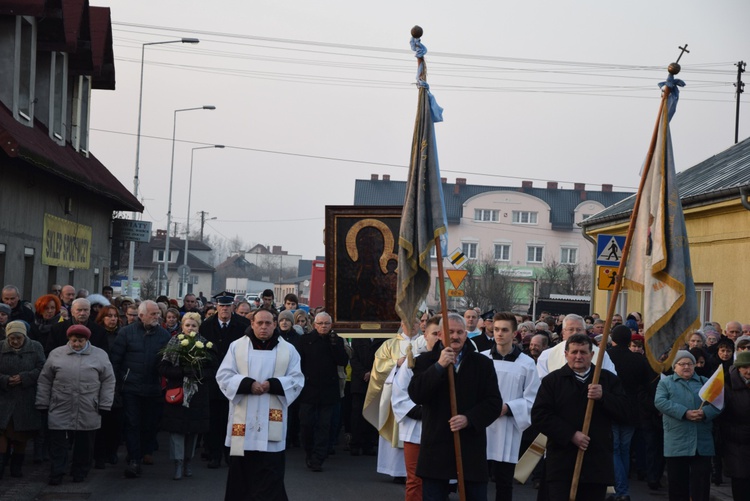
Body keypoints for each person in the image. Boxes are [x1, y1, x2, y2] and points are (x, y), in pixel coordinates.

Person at [408, 313, 502, 500]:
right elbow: (417, 394)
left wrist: (469, 419)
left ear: (466, 335)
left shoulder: (482, 364)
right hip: (436, 445)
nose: (455, 336)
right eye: (450, 331)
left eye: (460, 332)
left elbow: (493, 403)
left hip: (470, 446)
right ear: (440, 334)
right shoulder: (424, 361)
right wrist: (439, 367)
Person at [217, 308, 304, 500]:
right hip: (243, 422)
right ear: (252, 324)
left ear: (274, 324)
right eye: (259, 323)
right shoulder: (237, 347)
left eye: (268, 323)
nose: (264, 327)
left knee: (270, 473)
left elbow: (297, 379)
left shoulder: (288, 350)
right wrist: (248, 384)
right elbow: (223, 376)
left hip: (272, 420)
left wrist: (273, 384)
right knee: (241, 475)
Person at [531, 333, 629, 501]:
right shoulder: (552, 381)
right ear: (566, 354)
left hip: (596, 463)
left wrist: (604, 397)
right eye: (574, 352)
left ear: (591, 355)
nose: (578, 356)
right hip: (562, 462)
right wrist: (570, 435)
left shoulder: (607, 380)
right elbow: (540, 416)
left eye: (583, 352)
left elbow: (625, 412)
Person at [36, 324, 115, 485]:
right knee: (58, 443)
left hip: (88, 405)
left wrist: (105, 404)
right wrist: (42, 402)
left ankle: (80, 471)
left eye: (80, 340)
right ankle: (57, 471)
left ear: (87, 340)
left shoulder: (99, 355)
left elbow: (108, 380)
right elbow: (45, 380)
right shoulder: (57, 354)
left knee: (84, 443)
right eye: (73, 341)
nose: (76, 344)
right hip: (61, 403)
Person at [110, 300, 171, 478]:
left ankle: (144, 451)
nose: (156, 317)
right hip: (131, 387)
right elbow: (115, 360)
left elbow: (167, 361)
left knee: (150, 424)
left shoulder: (164, 335)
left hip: (153, 387)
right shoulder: (126, 333)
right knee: (132, 423)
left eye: (158, 313)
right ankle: (134, 460)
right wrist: (117, 384)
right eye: (153, 314)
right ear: (141, 315)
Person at [483, 312, 540, 501]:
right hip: (481, 425)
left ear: (515, 333)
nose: (499, 334)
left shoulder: (526, 364)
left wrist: (508, 408)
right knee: (478, 480)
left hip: (508, 427)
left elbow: (533, 398)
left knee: (504, 482)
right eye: (496, 329)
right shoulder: (482, 359)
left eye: (505, 330)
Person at [655, 350, 721, 501]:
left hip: (701, 441)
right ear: (674, 366)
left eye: (690, 363)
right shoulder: (666, 382)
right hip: (677, 441)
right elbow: (660, 402)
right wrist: (684, 413)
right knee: (678, 485)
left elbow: (719, 403)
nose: (687, 367)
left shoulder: (705, 382)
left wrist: (705, 413)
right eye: (682, 364)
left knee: (701, 484)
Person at [363, 317, 424, 481]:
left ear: (420, 325)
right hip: (394, 395)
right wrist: (396, 363)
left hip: (419, 394)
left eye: (415, 323)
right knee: (396, 430)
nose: (411, 326)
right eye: (407, 323)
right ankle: (396, 471)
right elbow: (378, 367)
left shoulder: (425, 343)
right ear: (401, 325)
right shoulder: (390, 344)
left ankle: (416, 471)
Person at [392, 315, 443, 501]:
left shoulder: (452, 363)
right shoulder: (413, 362)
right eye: (435, 333)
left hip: (441, 428)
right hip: (415, 428)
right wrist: (423, 412)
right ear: (425, 334)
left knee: (439, 479)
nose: (438, 338)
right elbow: (399, 395)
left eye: (441, 334)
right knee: (415, 479)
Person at [159, 312, 213, 480]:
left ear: (198, 327)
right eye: (187, 325)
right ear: (182, 326)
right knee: (177, 431)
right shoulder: (173, 342)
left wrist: (197, 372)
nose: (190, 328)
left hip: (197, 394)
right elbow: (163, 368)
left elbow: (212, 370)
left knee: (193, 431)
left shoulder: (205, 344)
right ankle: (178, 463)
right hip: (177, 393)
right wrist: (182, 372)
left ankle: (188, 462)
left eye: (194, 325)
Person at [199, 295, 250, 469]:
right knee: (214, 421)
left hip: (235, 379)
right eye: (221, 306)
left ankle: (231, 455)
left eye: (228, 307)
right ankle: (214, 454)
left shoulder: (242, 325)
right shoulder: (206, 325)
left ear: (232, 307)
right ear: (217, 307)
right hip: (213, 379)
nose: (224, 310)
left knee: (234, 421)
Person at [295, 312, 349, 472]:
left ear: (331, 325)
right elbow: (298, 363)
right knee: (306, 425)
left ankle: (318, 457)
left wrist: (334, 346)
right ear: (314, 324)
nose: (323, 326)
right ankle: (309, 452)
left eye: (326, 323)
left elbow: (343, 361)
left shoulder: (337, 341)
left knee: (324, 426)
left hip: (328, 390)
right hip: (308, 389)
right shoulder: (304, 340)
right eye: (320, 323)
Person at [606, 325, 653, 501]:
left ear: (613, 339)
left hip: (611, 407)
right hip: (632, 409)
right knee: (623, 450)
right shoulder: (639, 360)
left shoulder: (607, 356)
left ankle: (620, 489)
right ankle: (621, 488)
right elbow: (646, 386)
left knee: (615, 449)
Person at [0, 321, 45, 479]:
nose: (15, 341)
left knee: (21, 435)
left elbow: (42, 368)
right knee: (2, 433)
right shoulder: (1, 347)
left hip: (26, 397)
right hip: (4, 398)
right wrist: (5, 380)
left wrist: (24, 377)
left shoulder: (36, 347)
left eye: (18, 338)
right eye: (11, 338)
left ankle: (16, 467)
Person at [536, 314, 617, 379]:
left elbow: (611, 379)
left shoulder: (600, 354)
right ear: (563, 332)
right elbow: (540, 384)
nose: (575, 333)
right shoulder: (547, 356)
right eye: (571, 329)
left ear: (585, 332)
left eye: (579, 330)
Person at [93, 304, 123, 469]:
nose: (112, 319)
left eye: (115, 316)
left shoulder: (122, 334)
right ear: (102, 318)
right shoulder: (97, 335)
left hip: (117, 382)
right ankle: (99, 453)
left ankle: (112, 451)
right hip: (98, 381)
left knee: (115, 421)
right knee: (100, 421)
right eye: (108, 316)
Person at [718, 350, 750, 500]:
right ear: (738, 368)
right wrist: (736, 433)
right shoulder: (728, 385)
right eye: (745, 367)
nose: (749, 371)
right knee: (740, 482)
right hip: (736, 443)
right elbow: (720, 416)